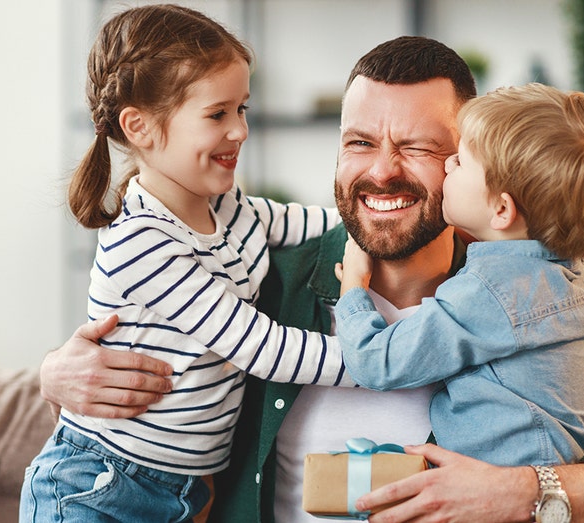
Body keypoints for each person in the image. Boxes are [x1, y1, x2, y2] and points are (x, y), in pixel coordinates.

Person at [39, 36, 584, 522]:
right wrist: (53, 375)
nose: (381, 171)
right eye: (360, 142)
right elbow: (116, 426)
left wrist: (526, 492)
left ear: (477, 174)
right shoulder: (263, 281)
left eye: (420, 148)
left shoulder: (528, 308)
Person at [20, 5, 353, 522]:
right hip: (101, 487)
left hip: (181, 491)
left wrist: (387, 211)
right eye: (217, 114)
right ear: (141, 127)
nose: (240, 130)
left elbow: (324, 223)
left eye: (242, 108)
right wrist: (380, 359)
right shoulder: (142, 242)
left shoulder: (228, 206)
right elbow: (257, 346)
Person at [334, 82, 584, 471]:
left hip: (504, 489)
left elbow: (377, 362)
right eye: (360, 142)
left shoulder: (492, 292)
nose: (448, 165)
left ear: (501, 209)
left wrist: (353, 288)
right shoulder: (572, 277)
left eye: (459, 161)